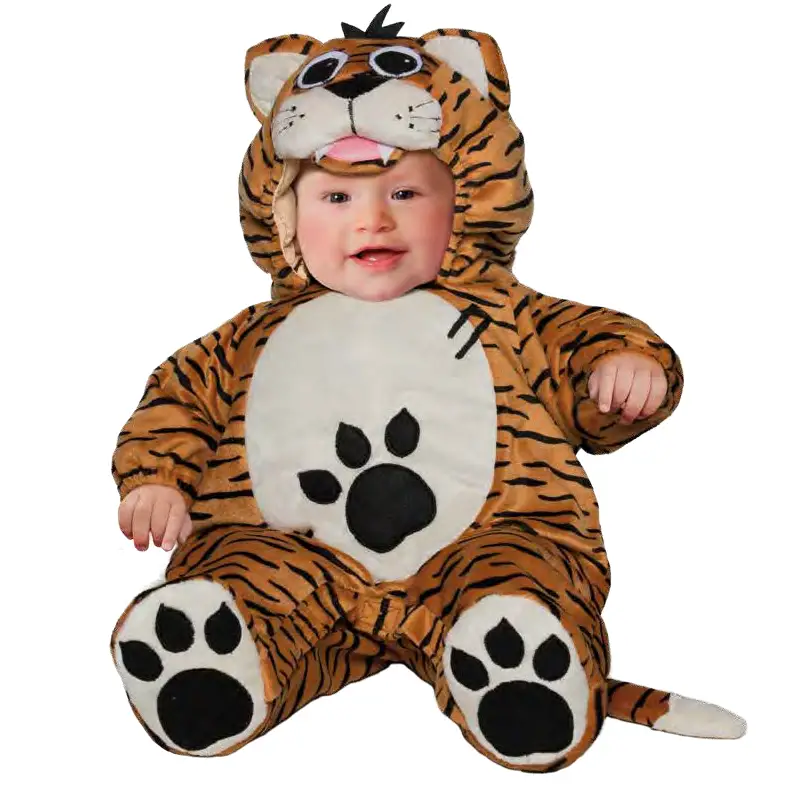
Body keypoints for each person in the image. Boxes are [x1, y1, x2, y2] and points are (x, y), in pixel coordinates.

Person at [117, 150, 668, 553]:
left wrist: (622, 369)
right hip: (289, 548)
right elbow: (180, 400)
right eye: (337, 198)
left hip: (486, 540)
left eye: (404, 194)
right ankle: (220, 635)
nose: (374, 220)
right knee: (246, 570)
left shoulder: (506, 315)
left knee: (519, 567)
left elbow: (581, 345)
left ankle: (510, 635)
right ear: (284, 216)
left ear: (463, 206)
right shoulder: (251, 339)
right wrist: (158, 479)